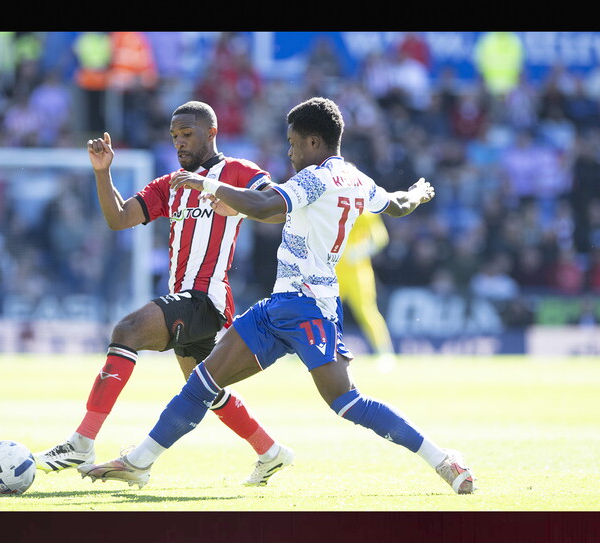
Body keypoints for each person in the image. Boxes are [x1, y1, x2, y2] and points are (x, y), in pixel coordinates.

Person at [79, 97, 475, 494]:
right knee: (204, 382)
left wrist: (208, 183)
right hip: (280, 307)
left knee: (345, 402)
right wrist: (418, 195)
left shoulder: (314, 179)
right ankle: (138, 462)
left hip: (308, 309)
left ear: (315, 143)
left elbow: (267, 203)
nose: (289, 152)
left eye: (292, 143)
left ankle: (442, 459)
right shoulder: (359, 180)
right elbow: (396, 205)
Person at [33, 101, 295, 487]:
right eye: (174, 137)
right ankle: (270, 452)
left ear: (211, 133)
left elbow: (277, 209)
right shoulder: (169, 184)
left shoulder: (239, 172)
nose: (179, 143)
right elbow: (119, 218)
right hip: (185, 299)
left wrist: (232, 200)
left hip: (207, 299)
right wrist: (102, 174)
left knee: (127, 331)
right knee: (205, 389)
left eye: (187, 135)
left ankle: (82, 442)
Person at [334, 210, 398, 373]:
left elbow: (380, 239)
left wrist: (361, 251)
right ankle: (310, 350)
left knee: (367, 312)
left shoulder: (364, 211)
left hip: (358, 272)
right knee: (324, 313)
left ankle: (385, 353)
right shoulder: (332, 205)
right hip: (334, 271)